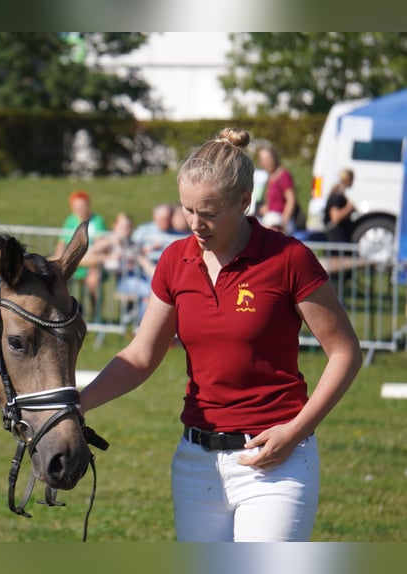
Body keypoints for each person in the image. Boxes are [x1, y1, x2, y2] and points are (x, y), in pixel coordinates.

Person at [79, 128, 362, 542]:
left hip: (275, 460)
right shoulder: (174, 259)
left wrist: (296, 430)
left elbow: (345, 353)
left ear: (244, 202)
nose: (195, 223)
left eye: (208, 212)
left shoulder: (290, 258)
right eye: (187, 209)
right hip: (196, 465)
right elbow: (141, 355)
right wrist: (74, 405)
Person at [84, 212, 156, 323]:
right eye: (122, 226)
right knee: (150, 292)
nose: (125, 230)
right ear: (115, 226)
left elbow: (146, 264)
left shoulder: (133, 245)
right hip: (124, 280)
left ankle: (141, 323)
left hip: (137, 278)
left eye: (128, 227)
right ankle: (141, 324)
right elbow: (88, 255)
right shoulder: (107, 243)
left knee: (154, 290)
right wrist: (107, 257)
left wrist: (156, 274)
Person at [52, 190, 108, 321]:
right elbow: (61, 243)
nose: (80, 209)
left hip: (90, 263)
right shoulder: (70, 220)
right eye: (77, 207)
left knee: (93, 280)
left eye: (83, 206)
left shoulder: (97, 221)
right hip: (76, 261)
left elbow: (100, 246)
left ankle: (96, 315)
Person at [257, 143, 301, 234]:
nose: (266, 162)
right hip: (271, 217)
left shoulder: (283, 175)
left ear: (274, 157)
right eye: (263, 160)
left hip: (279, 221)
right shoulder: (271, 178)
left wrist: (284, 221)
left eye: (268, 159)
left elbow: (291, 200)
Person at [323, 169, 356, 243]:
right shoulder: (336, 197)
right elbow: (335, 217)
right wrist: (349, 207)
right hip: (336, 238)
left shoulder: (340, 195)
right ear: (348, 180)